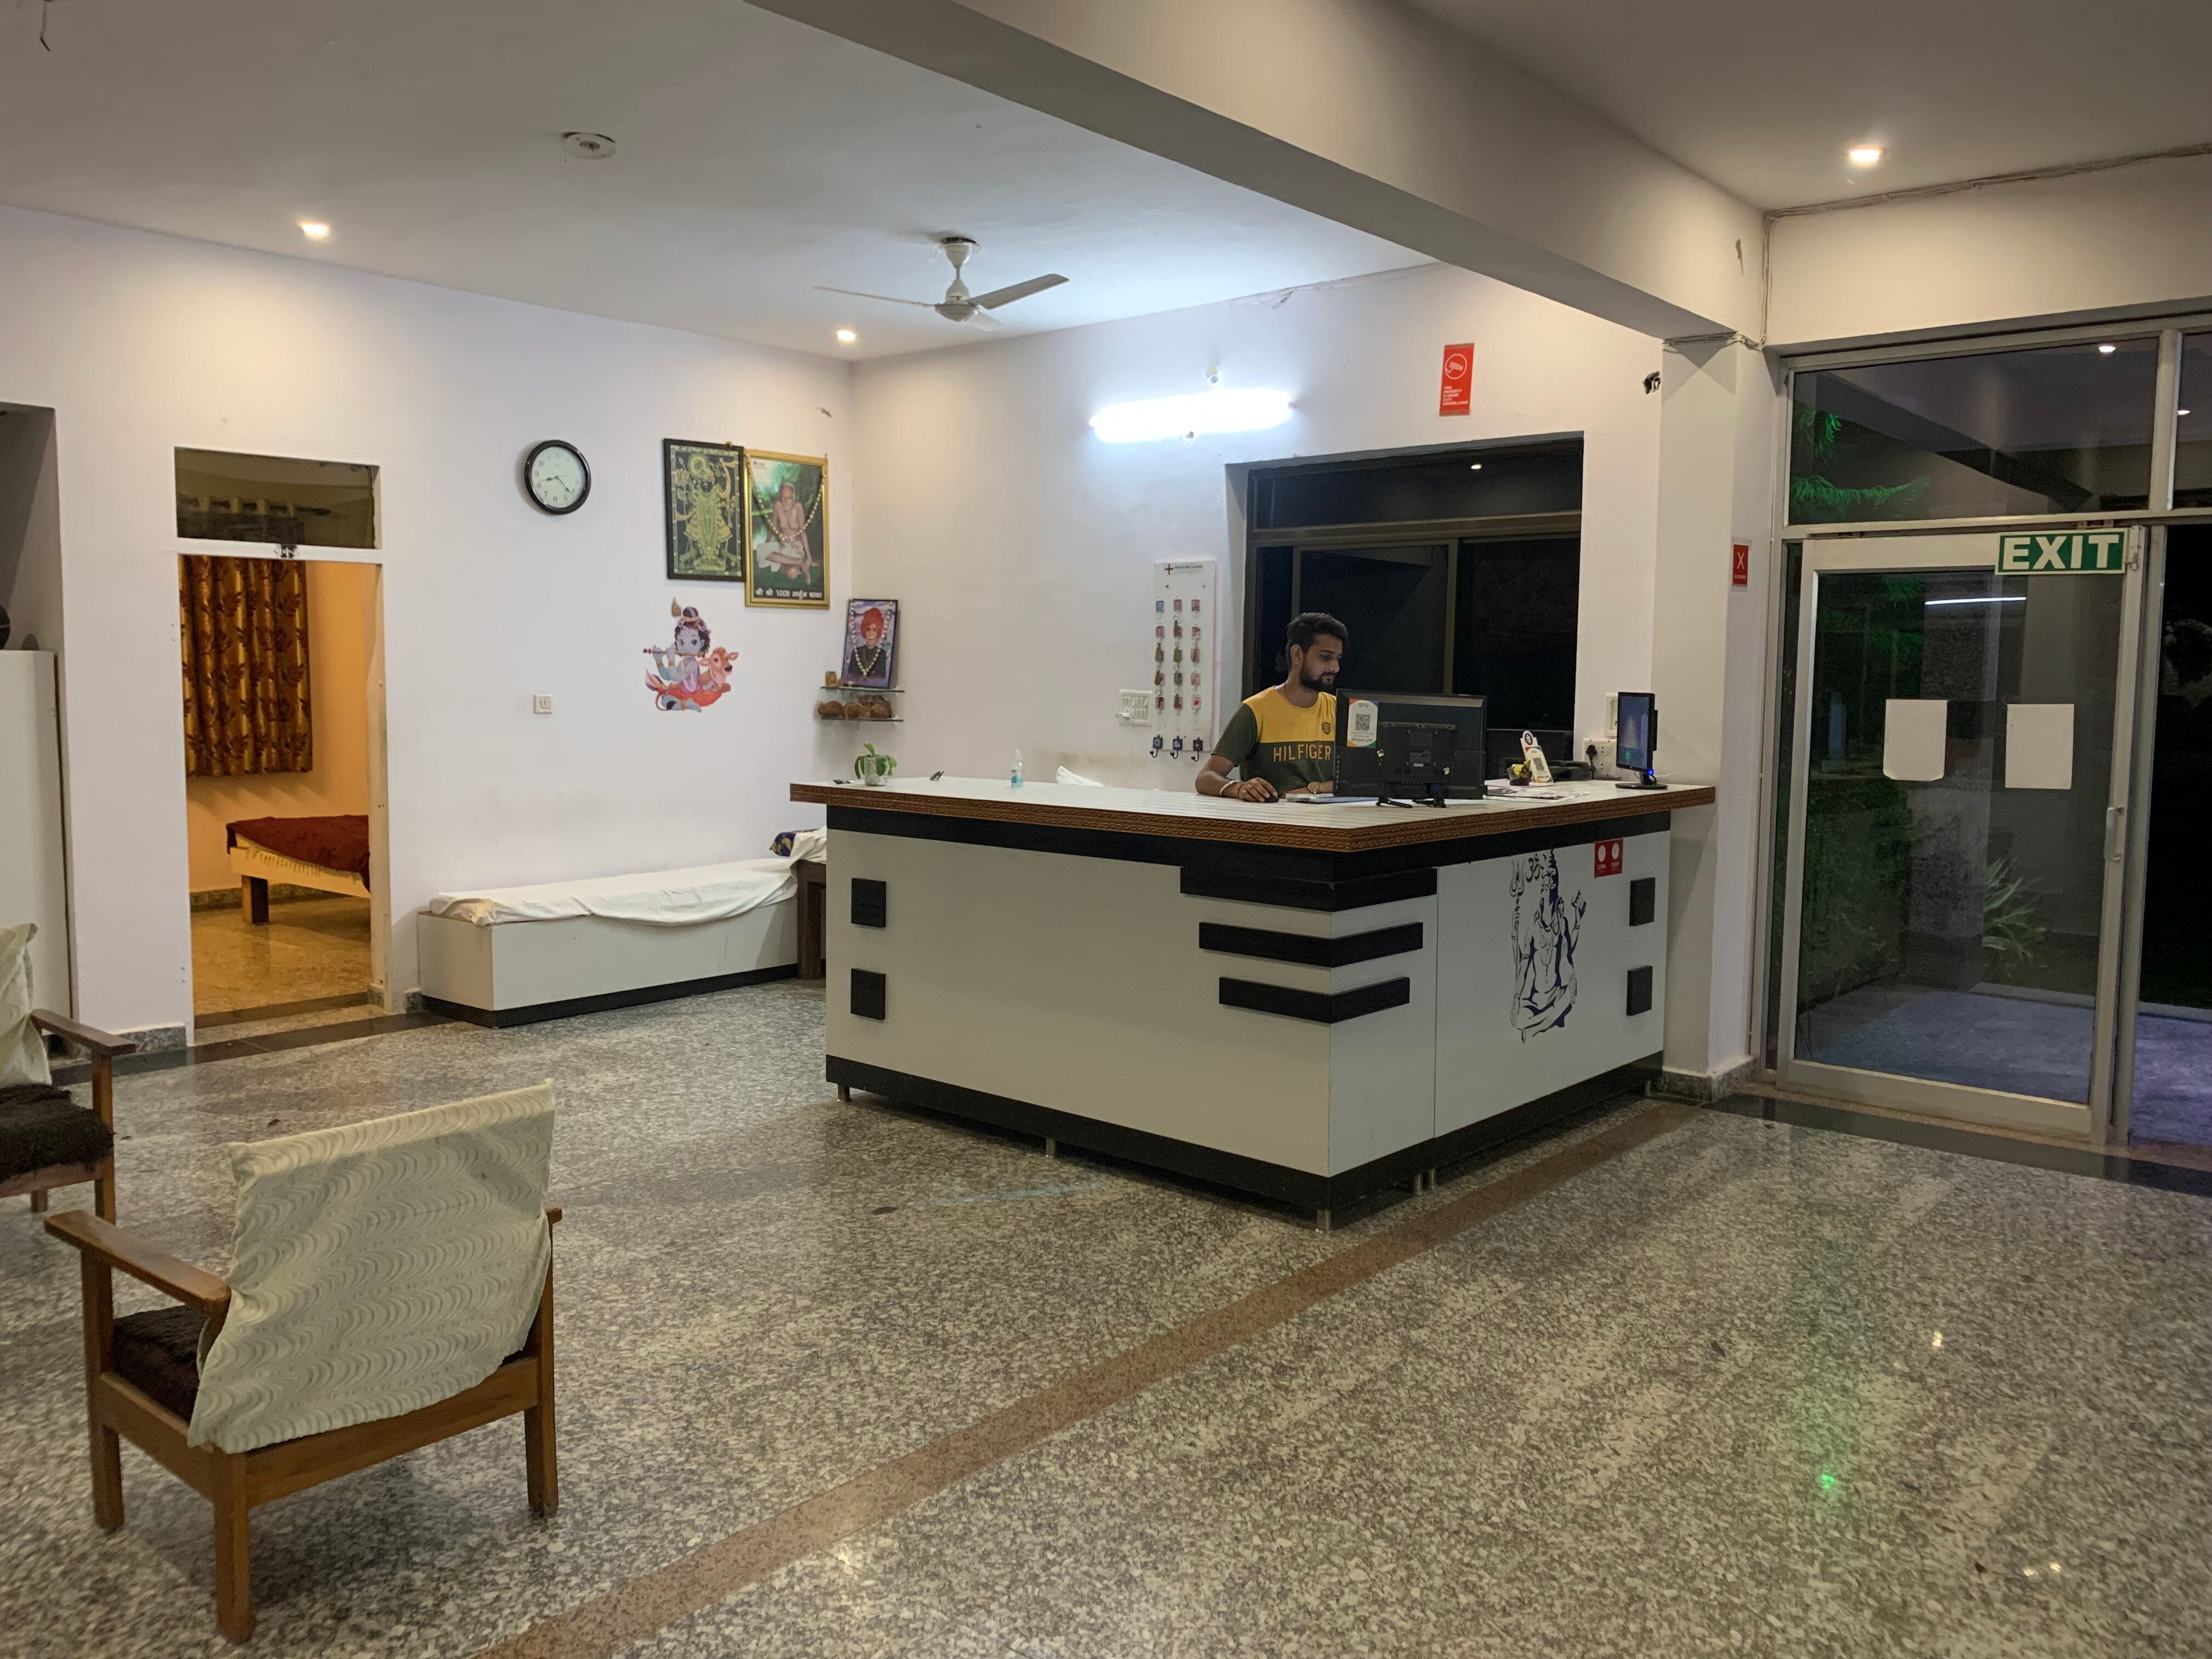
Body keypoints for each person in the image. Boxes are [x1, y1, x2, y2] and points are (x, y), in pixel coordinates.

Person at [1198, 612, 1345, 802]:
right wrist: (1239, 788)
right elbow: (1206, 778)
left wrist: (1313, 789)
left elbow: (1361, 781)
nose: (1335, 667)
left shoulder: (1340, 710)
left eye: (1338, 658)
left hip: (1331, 818)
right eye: (1325, 657)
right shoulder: (1255, 710)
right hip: (1272, 818)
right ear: (1297, 654)